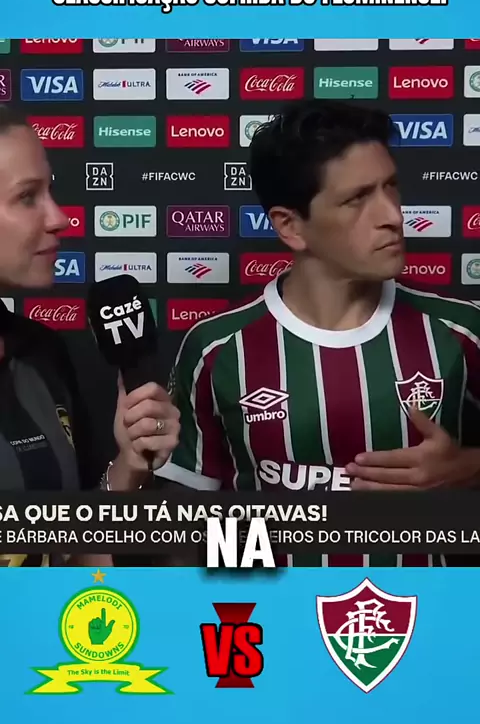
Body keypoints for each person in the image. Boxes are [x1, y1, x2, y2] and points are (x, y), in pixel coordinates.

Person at [156, 98, 480, 567]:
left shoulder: (461, 330)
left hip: (426, 609)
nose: (392, 215)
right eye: (357, 199)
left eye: (391, 187)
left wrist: (467, 469)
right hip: (267, 608)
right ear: (291, 226)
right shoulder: (217, 350)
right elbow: (187, 530)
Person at [0, 106, 180, 567]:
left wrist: (128, 467)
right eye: (27, 197)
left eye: (50, 191)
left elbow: (69, 560)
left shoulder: (40, 354)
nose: (59, 218)